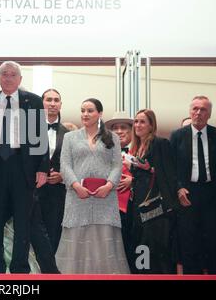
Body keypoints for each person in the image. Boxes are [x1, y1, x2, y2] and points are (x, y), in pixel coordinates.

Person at [0, 61, 49, 273]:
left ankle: (20, 268)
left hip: (23, 164)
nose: (8, 78)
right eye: (4, 74)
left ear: (20, 79)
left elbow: (41, 137)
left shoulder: (34, 101)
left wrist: (42, 168)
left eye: (12, 74)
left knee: (23, 220)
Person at [56, 98, 129, 274]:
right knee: (77, 237)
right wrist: (76, 186)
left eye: (90, 111)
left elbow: (117, 165)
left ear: (100, 114)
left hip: (105, 198)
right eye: (83, 111)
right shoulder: (70, 137)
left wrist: (109, 185)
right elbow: (65, 165)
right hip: (76, 197)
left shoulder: (112, 138)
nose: (85, 114)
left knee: (103, 240)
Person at [170, 96, 216, 274]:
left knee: (214, 243)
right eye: (195, 109)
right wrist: (178, 188)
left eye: (203, 109)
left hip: (213, 197)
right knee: (189, 244)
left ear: (209, 114)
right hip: (186, 194)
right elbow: (170, 167)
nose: (198, 113)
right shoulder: (177, 136)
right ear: (190, 112)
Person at [128, 109, 179, 274]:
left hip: (155, 207)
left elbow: (169, 173)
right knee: (140, 244)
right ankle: (141, 276)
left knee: (155, 247)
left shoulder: (160, 143)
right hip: (138, 204)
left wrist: (150, 168)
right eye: (136, 121)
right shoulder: (135, 147)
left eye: (142, 121)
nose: (138, 125)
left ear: (151, 125)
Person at [37, 88, 69, 254]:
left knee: (53, 234)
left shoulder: (69, 134)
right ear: (41, 103)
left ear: (61, 105)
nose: (52, 103)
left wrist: (63, 176)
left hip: (56, 193)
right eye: (48, 99)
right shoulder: (29, 129)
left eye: (56, 100)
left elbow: (75, 164)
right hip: (31, 190)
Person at [105, 111, 134, 267]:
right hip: (109, 208)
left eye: (123, 127)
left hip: (134, 210)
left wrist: (134, 180)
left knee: (133, 249)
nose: (119, 131)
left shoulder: (142, 149)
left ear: (132, 130)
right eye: (115, 128)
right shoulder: (104, 152)